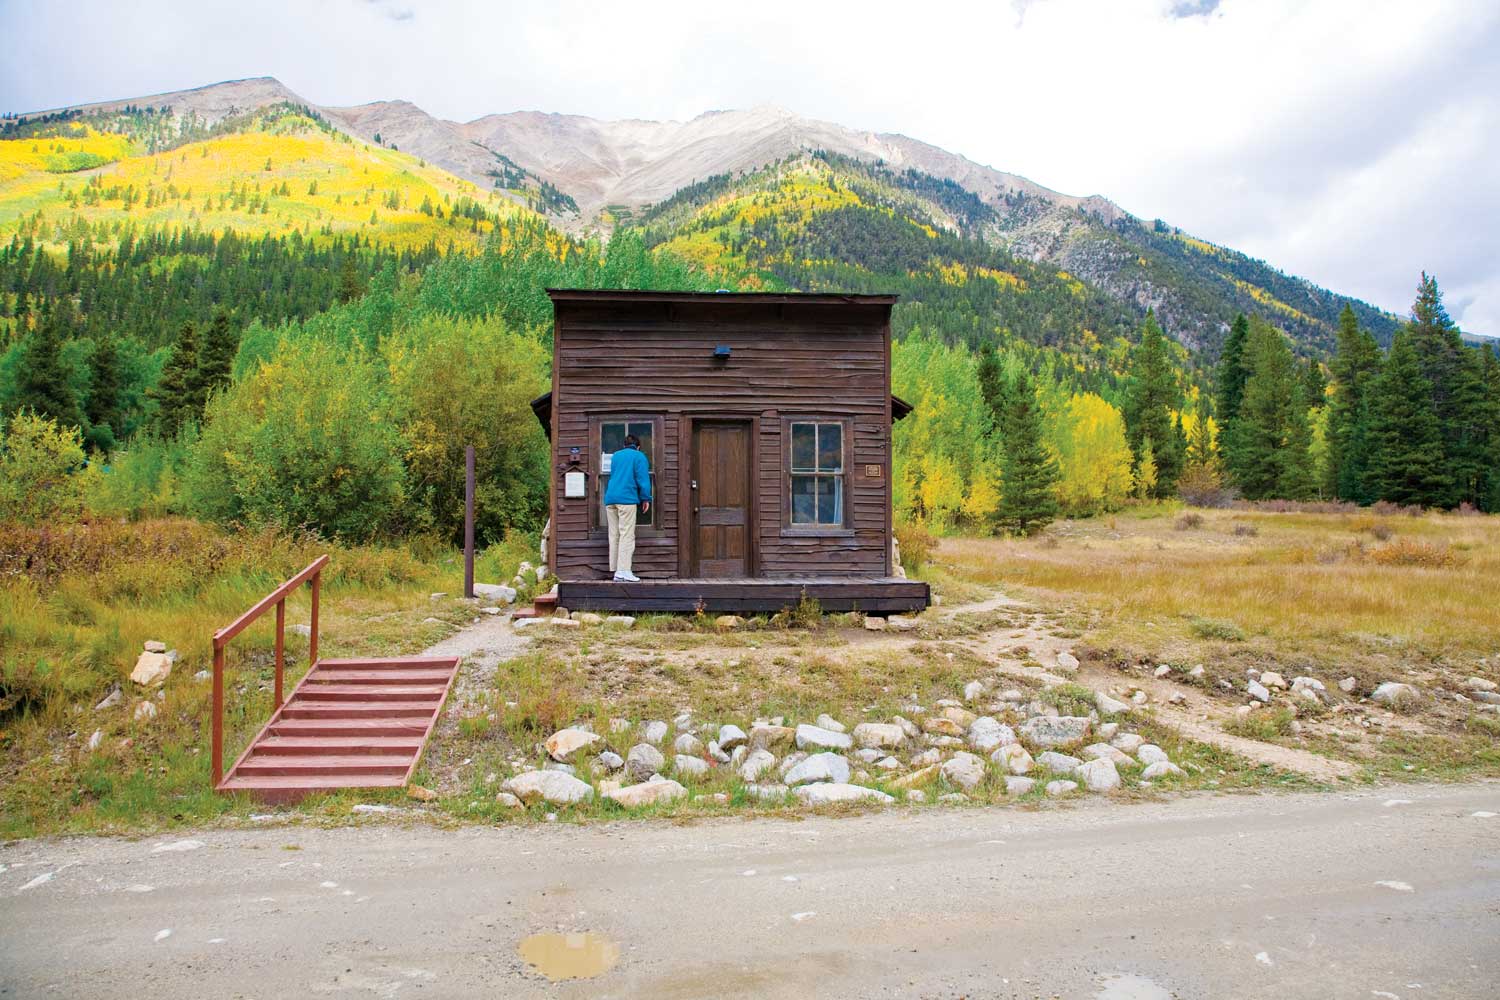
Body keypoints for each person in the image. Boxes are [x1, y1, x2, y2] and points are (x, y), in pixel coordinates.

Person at [603, 434, 652, 581]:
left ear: (624, 445)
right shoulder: (638, 456)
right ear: (638, 446)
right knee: (627, 534)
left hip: (610, 499)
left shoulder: (616, 456)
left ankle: (616, 570)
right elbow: (642, 478)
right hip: (626, 499)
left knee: (614, 534)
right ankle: (624, 570)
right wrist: (645, 498)